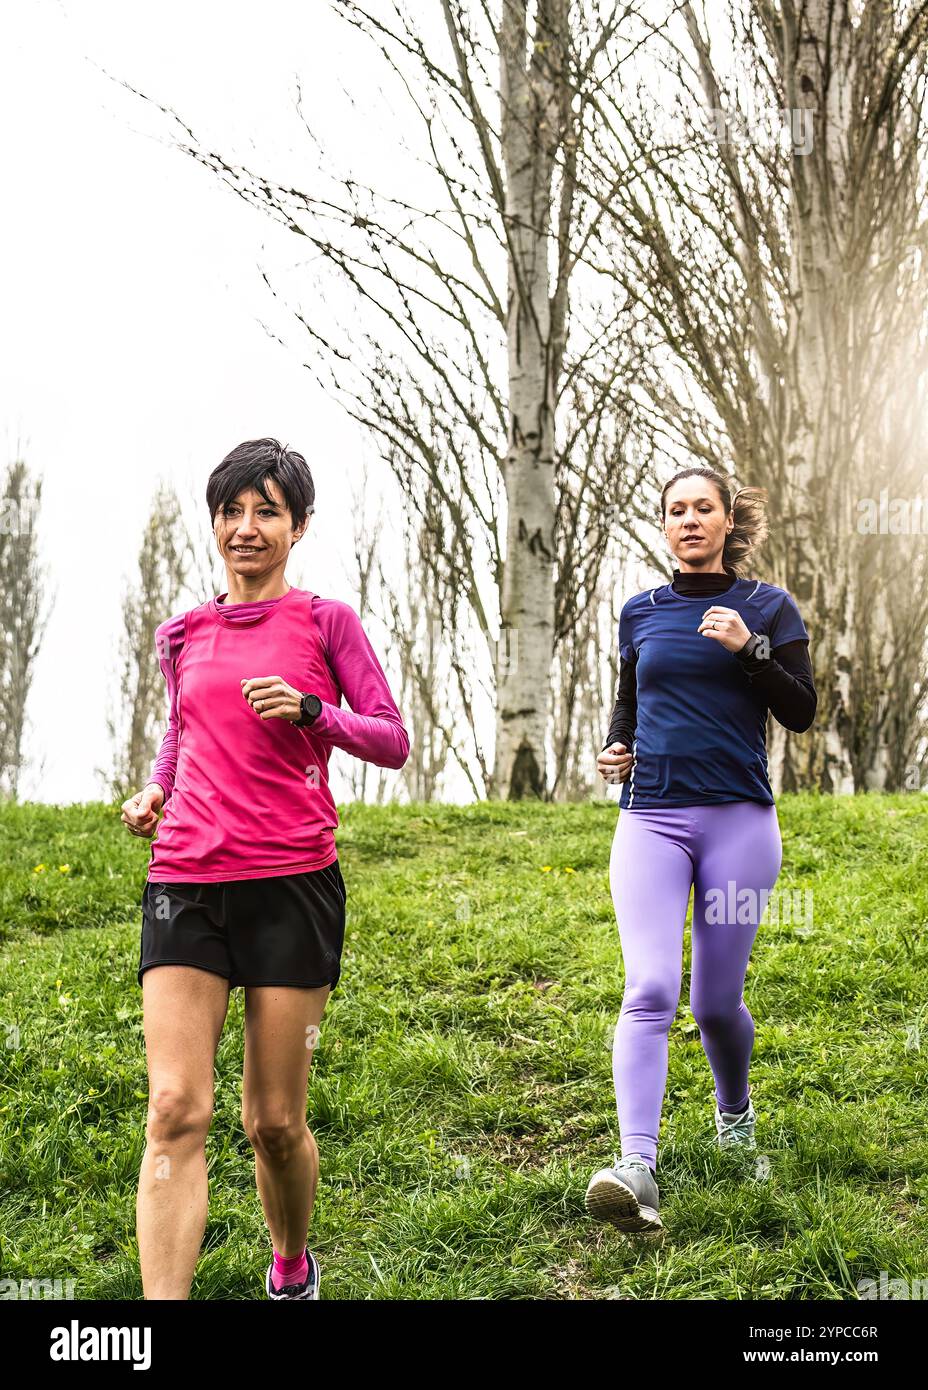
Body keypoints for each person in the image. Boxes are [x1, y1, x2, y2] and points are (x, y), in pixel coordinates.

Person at [121, 437, 409, 1298]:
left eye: (267, 512)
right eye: (232, 511)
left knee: (273, 1122)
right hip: (186, 883)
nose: (246, 528)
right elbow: (182, 730)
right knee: (176, 1110)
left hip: (291, 886)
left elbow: (390, 739)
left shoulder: (327, 623)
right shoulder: (184, 633)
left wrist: (315, 711)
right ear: (214, 522)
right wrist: (155, 787)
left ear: (299, 526)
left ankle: (291, 1269)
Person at [585, 468, 816, 1238]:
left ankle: (734, 1113)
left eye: (703, 509)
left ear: (726, 522)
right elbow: (630, 702)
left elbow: (802, 710)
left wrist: (750, 651)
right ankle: (637, 1167)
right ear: (664, 526)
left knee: (715, 1004)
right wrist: (617, 747)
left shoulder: (767, 607)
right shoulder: (639, 614)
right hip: (650, 818)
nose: (689, 521)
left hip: (739, 825)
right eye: (675, 511)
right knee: (648, 987)